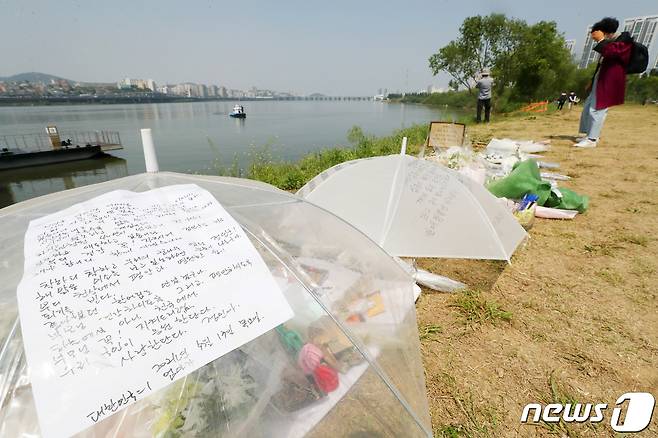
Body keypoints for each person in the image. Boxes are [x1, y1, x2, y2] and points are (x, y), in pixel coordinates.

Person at [575, 17, 633, 148]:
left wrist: (601, 40)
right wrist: (592, 80)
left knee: (598, 108)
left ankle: (592, 139)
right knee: (588, 106)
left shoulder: (625, 41)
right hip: (601, 77)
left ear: (605, 32)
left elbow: (612, 53)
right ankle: (588, 135)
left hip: (610, 79)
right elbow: (602, 61)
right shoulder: (613, 41)